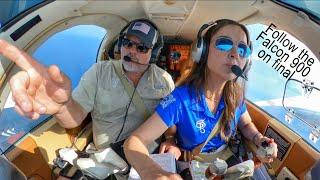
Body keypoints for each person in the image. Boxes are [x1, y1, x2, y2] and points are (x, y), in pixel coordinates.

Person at [0, 18, 175, 173]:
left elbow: (170, 118)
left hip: (146, 156)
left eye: (141, 47)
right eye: (127, 43)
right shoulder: (98, 72)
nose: (132, 51)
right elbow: (74, 119)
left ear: (153, 53)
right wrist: (62, 106)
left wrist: (170, 139)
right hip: (103, 160)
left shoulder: (163, 81)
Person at [124, 19, 278, 179]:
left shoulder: (236, 95)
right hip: (194, 165)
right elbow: (134, 141)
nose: (234, 53)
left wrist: (259, 138)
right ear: (203, 51)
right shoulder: (180, 99)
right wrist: (155, 173)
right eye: (224, 44)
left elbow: (245, 124)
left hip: (227, 162)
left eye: (242, 49)